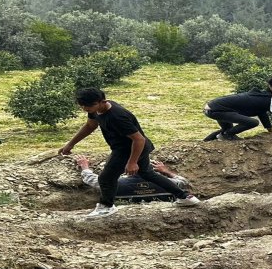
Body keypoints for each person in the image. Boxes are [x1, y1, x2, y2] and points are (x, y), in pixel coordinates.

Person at [58, 88, 201, 217]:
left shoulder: (117, 116)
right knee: (147, 173)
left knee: (106, 178)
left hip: (129, 149)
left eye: (88, 106)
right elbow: (90, 126)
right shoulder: (95, 110)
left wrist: (132, 162)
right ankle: (185, 197)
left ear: (103, 101)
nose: (85, 109)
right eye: (82, 106)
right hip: (127, 147)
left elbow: (138, 139)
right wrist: (70, 144)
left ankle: (106, 206)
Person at [74, 154, 190, 202]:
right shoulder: (167, 183)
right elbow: (183, 182)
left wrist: (85, 166)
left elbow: (91, 179)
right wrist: (166, 171)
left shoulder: (116, 183)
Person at [203, 90, 272, 141]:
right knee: (253, 122)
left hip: (212, 107)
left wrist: (270, 129)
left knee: (227, 129)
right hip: (218, 110)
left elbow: (262, 112)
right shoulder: (268, 99)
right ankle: (226, 135)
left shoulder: (262, 96)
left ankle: (204, 142)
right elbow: (263, 113)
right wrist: (270, 129)